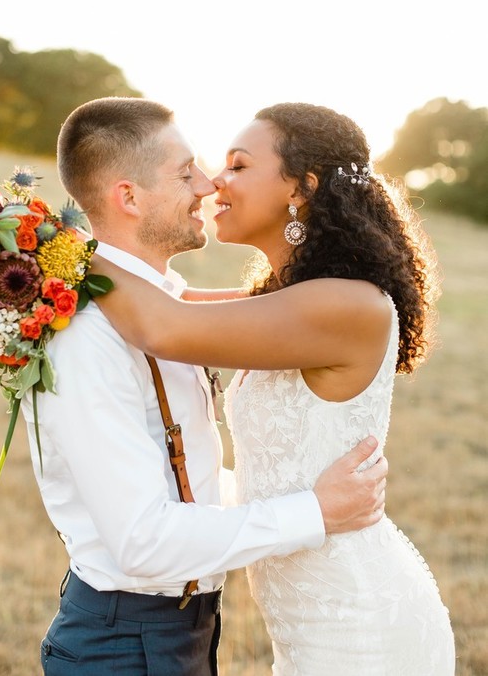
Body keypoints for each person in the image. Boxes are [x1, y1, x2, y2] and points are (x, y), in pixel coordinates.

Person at [20, 97, 388, 676]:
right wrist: (312, 510)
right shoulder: (91, 332)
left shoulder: (167, 308)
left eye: (231, 166)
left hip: (195, 628)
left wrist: (65, 256)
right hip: (125, 640)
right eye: (186, 170)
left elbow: (185, 462)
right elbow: (142, 540)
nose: (208, 183)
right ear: (129, 197)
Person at [92, 102, 456, 675]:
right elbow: (173, 302)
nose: (215, 182)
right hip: (308, 620)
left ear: (302, 187)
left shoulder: (344, 303)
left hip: (358, 623)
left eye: (238, 166)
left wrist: (51, 251)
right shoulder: (295, 297)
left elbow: (161, 325)